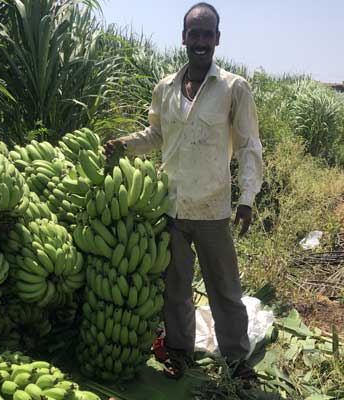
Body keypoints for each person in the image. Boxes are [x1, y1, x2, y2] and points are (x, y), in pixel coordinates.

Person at [105, 2, 263, 381]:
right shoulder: (166, 88)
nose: (201, 40)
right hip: (171, 205)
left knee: (224, 289)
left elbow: (248, 145)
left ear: (217, 39)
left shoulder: (232, 88)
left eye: (208, 33)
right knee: (174, 289)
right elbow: (157, 135)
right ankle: (178, 349)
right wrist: (122, 146)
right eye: (195, 33)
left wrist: (246, 198)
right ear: (184, 37)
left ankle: (236, 359)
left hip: (212, 208)